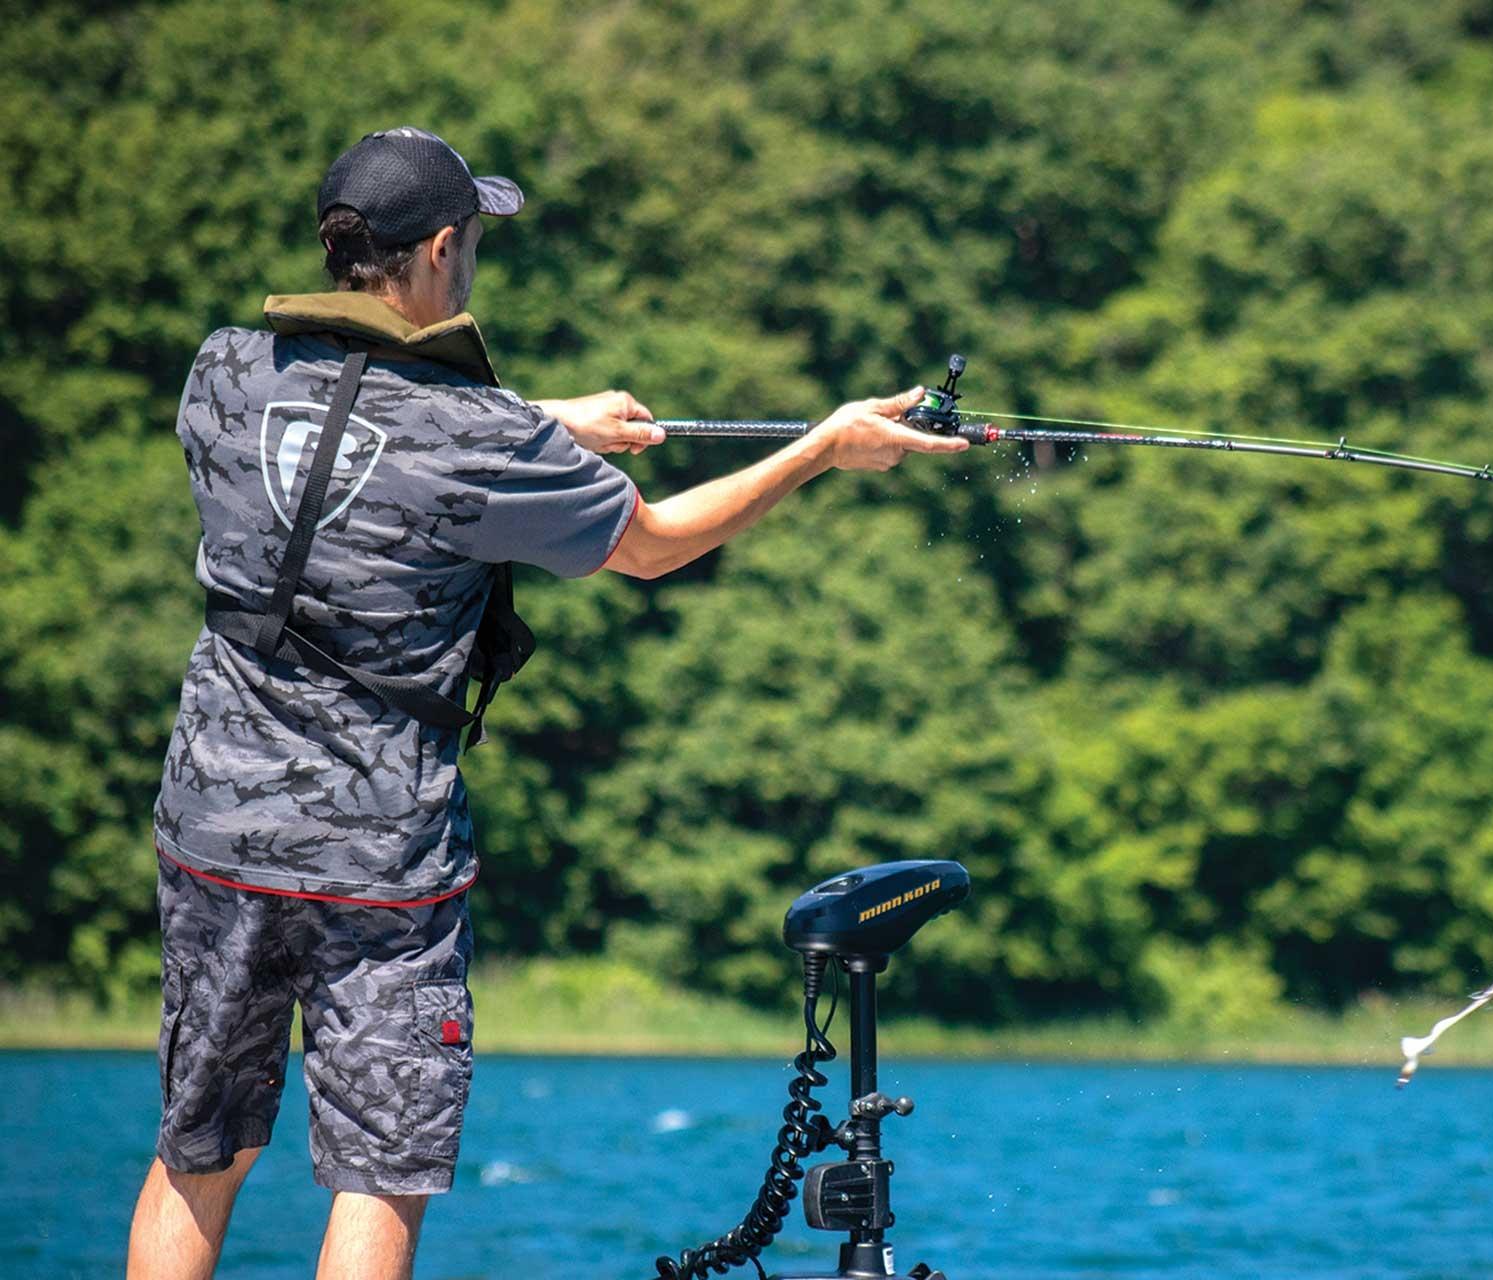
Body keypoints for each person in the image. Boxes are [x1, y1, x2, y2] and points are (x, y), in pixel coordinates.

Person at [125, 126, 967, 1280]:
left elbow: (357, 420)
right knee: (380, 1173)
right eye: (471, 239)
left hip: (211, 831)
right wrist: (821, 448)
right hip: (381, 865)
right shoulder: (482, 439)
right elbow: (654, 542)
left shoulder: (223, 369)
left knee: (197, 1151)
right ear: (438, 250)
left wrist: (548, 422)